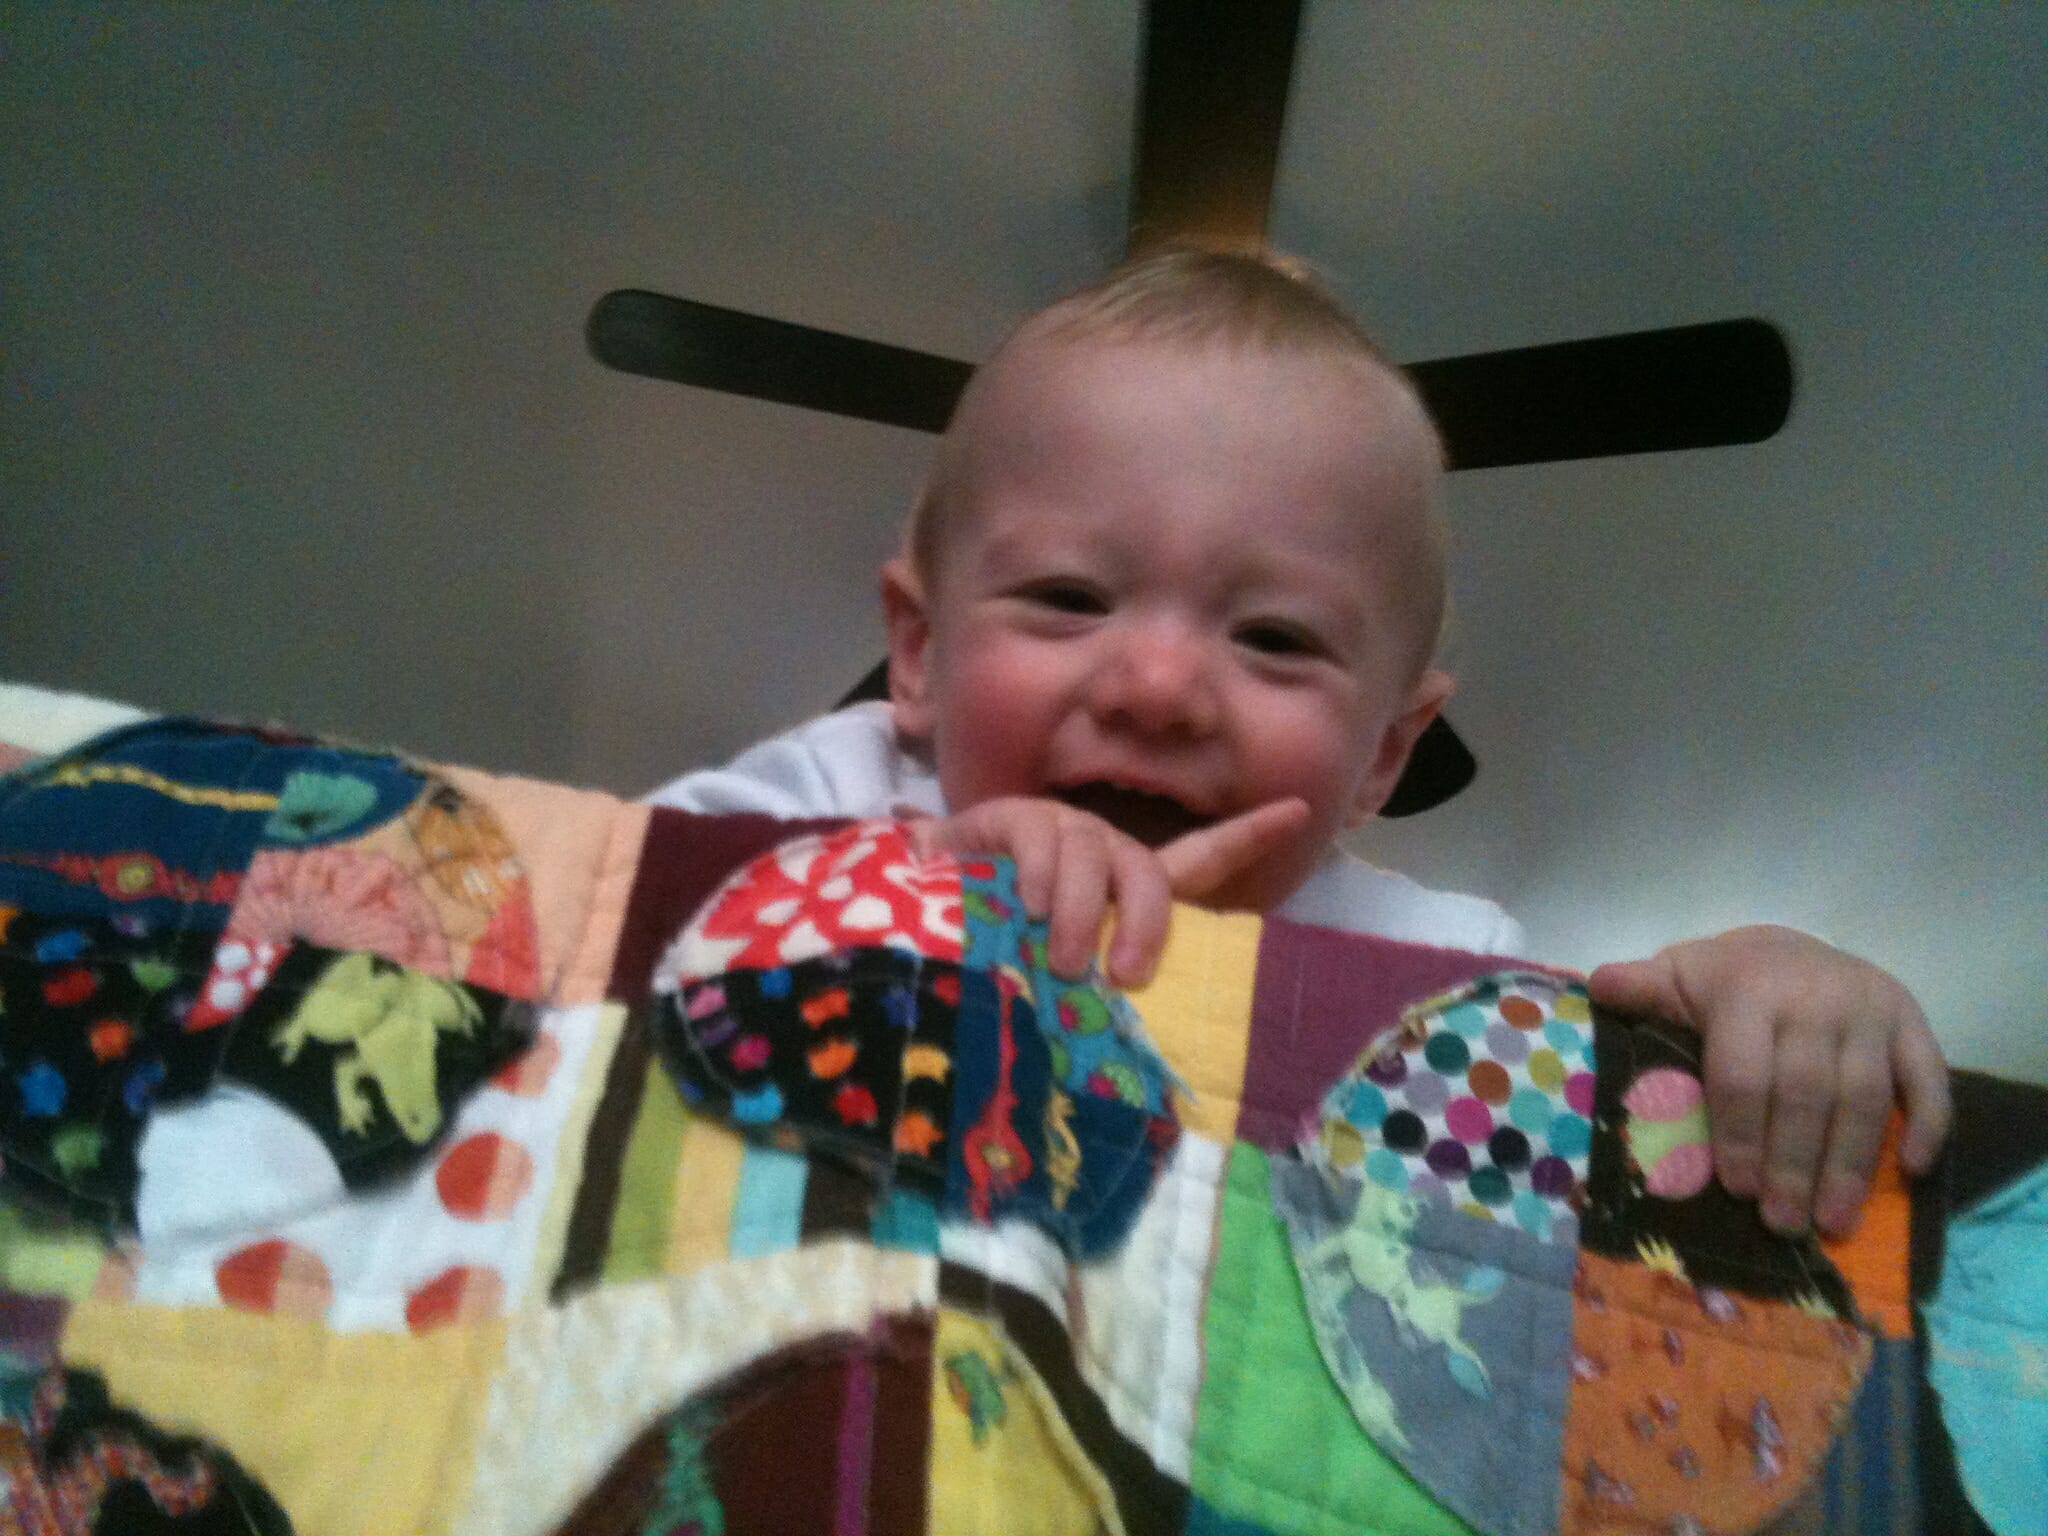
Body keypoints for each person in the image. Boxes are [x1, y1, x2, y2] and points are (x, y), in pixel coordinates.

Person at [648, 248, 1948, 1239]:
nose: (1159, 687)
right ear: (920, 653)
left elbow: (1591, 1148)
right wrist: (925, 885)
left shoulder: (1440, 970)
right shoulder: (839, 788)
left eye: (1272, 637)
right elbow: (606, 929)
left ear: (1384, 756)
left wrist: (1759, 1002)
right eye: (1069, 597)